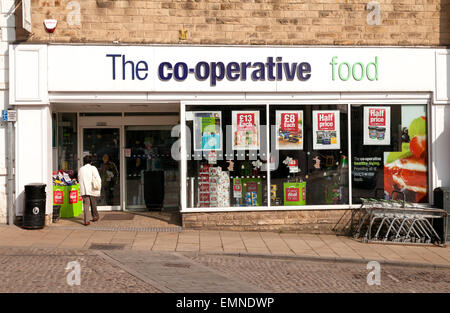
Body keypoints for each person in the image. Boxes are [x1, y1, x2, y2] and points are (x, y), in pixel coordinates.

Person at [78, 155, 101, 226]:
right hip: (92, 188)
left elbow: (79, 178)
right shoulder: (93, 168)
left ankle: (86, 220)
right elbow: (97, 178)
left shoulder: (81, 169)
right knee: (93, 203)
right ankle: (95, 216)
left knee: (86, 205)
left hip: (84, 189)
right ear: (91, 162)